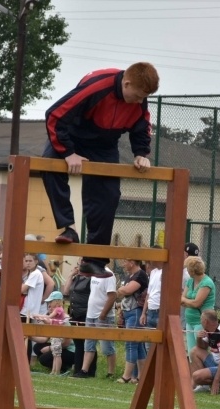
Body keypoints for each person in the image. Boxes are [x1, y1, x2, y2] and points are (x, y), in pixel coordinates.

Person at [42, 62, 160, 277]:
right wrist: (68, 153)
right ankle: (68, 227)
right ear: (127, 83)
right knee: (48, 164)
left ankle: (93, 260)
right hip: (73, 134)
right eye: (138, 96)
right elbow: (55, 115)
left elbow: (142, 128)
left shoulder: (139, 101)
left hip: (104, 144)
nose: (141, 101)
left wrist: (141, 154)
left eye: (145, 97)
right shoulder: (97, 86)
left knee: (109, 194)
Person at [74, 263, 117, 378]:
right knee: (88, 344)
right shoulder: (94, 274)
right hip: (91, 315)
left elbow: (112, 296)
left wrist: (103, 315)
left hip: (103, 316)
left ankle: (111, 373)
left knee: (107, 346)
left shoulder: (109, 275)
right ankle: (84, 370)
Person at [116, 258, 149, 384]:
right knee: (139, 345)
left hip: (135, 311)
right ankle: (141, 376)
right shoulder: (131, 276)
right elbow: (121, 292)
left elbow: (127, 290)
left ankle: (127, 376)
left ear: (132, 262)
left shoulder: (140, 275)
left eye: (125, 261)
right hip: (129, 311)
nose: (123, 263)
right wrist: (122, 289)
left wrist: (122, 289)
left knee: (131, 343)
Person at [63, 262, 97, 377]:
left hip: (85, 312)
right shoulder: (76, 278)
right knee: (78, 343)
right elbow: (66, 291)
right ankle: (78, 369)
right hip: (74, 312)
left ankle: (89, 370)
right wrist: (70, 275)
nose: (78, 266)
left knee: (87, 342)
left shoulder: (91, 278)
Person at [180, 256, 215, 355]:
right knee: (191, 353)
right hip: (189, 321)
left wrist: (186, 301)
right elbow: (181, 300)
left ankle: (203, 370)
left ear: (192, 271)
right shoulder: (190, 281)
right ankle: (193, 370)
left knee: (201, 352)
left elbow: (196, 303)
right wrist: (188, 301)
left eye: (187, 269)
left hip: (201, 322)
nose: (186, 271)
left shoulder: (206, 283)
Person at [33, 291, 69, 375]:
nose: (49, 305)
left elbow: (49, 317)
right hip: (55, 334)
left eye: (50, 302)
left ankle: (57, 371)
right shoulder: (58, 309)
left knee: (57, 354)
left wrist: (39, 316)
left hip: (58, 334)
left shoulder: (58, 309)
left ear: (56, 302)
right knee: (55, 354)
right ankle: (53, 370)